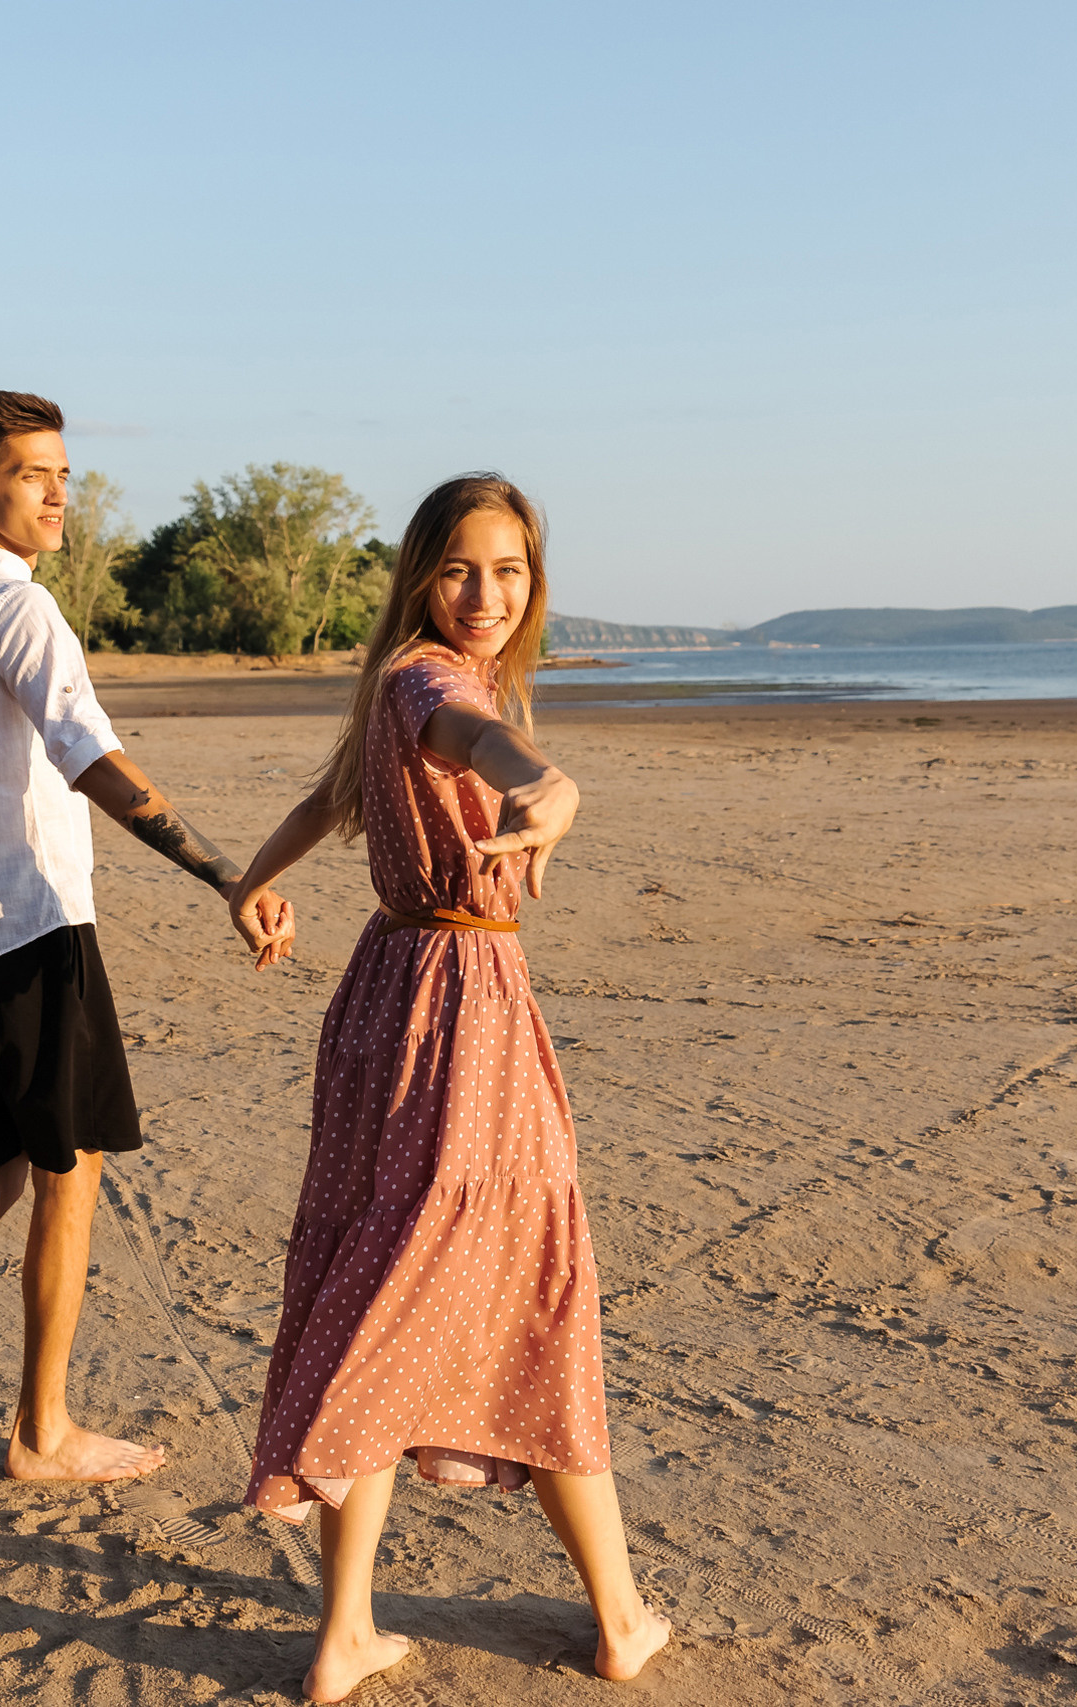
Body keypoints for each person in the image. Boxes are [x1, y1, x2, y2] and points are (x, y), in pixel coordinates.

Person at [224, 475, 669, 1700]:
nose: (487, 595)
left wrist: (251, 881)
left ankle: (343, 1632)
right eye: (462, 569)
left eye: (511, 571)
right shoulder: (431, 684)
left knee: (385, 1267)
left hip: (393, 995)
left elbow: (332, 798)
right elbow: (487, 748)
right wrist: (551, 786)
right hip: (459, 999)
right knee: (523, 1288)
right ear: (422, 574)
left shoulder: (405, 682)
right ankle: (621, 1619)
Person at [0, 389, 293, 1520]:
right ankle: (39, 1430)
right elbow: (91, 756)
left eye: (66, 473)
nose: (57, 492)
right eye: (32, 472)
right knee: (69, 1175)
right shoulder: (18, 613)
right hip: (35, 934)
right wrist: (228, 873)